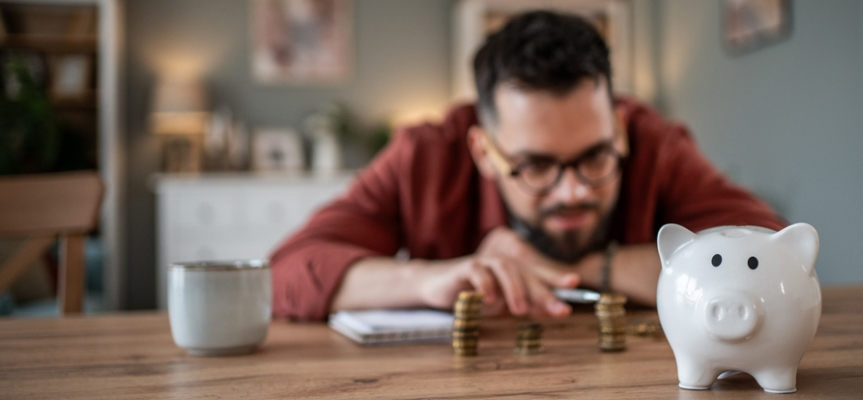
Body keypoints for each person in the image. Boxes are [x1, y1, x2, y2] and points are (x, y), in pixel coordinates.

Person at [270, 11, 783, 321]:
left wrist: (582, 269)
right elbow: (283, 275)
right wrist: (432, 280)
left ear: (620, 129)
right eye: (535, 166)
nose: (572, 193)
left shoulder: (655, 142)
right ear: (481, 151)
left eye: (595, 157)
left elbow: (775, 259)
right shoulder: (424, 155)